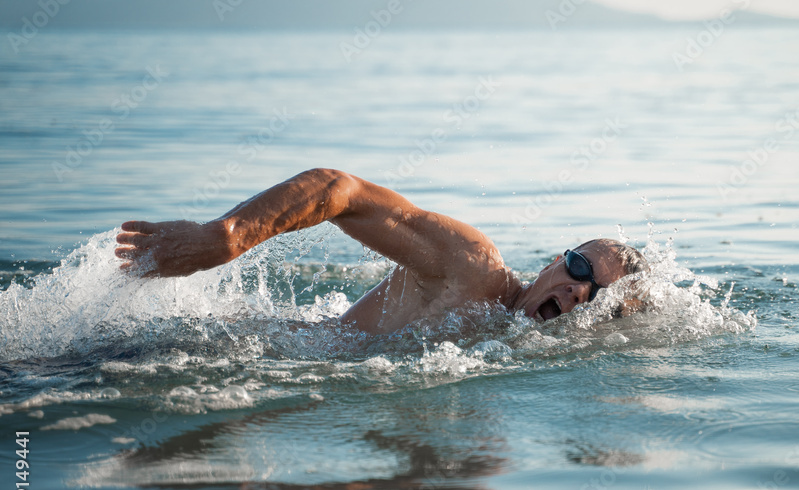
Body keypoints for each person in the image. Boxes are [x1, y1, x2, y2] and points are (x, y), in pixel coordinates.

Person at [115, 169, 648, 334]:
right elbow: (338, 190)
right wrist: (225, 237)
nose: (579, 288)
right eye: (579, 267)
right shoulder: (474, 268)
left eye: (596, 295)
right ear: (554, 262)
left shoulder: (519, 348)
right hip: (220, 349)